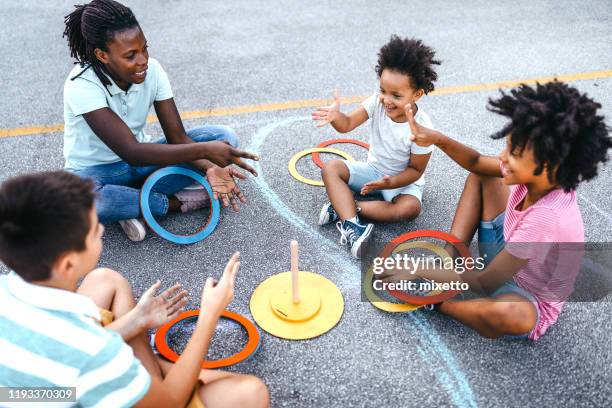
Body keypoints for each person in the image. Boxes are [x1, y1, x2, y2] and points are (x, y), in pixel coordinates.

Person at [0, 171, 269, 407]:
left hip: (35, 393)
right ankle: (146, 375)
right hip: (98, 376)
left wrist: (136, 321)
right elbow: (169, 403)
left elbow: (15, 394)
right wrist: (210, 313)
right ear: (68, 264)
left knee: (106, 279)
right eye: (95, 231)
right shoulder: (91, 349)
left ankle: (141, 375)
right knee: (249, 393)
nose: (102, 230)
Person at [382, 81, 611, 340]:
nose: (502, 157)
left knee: (510, 314)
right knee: (482, 176)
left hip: (524, 296)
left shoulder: (547, 218)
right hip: (507, 254)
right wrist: (437, 138)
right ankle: (450, 257)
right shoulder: (543, 176)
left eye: (513, 152)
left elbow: (484, 282)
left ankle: (440, 303)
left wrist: (416, 268)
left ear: (549, 166)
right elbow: (477, 161)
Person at [63, 0, 259, 241]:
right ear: (102, 55)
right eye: (130, 55)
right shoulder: (81, 85)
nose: (142, 60)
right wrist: (207, 152)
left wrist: (211, 167)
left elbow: (178, 138)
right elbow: (130, 151)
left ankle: (130, 203)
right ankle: (170, 203)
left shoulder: (152, 70)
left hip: (143, 163)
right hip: (97, 172)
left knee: (223, 137)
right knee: (87, 203)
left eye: (144, 49)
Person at [312, 35, 440, 258]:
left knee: (410, 209)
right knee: (331, 168)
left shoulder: (423, 128)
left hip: (402, 181)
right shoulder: (376, 102)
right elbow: (347, 124)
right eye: (383, 90)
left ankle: (345, 208)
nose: (386, 99)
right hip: (373, 171)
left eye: (396, 95)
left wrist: (391, 182)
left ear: (417, 94)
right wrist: (335, 116)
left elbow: (416, 171)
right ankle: (353, 225)